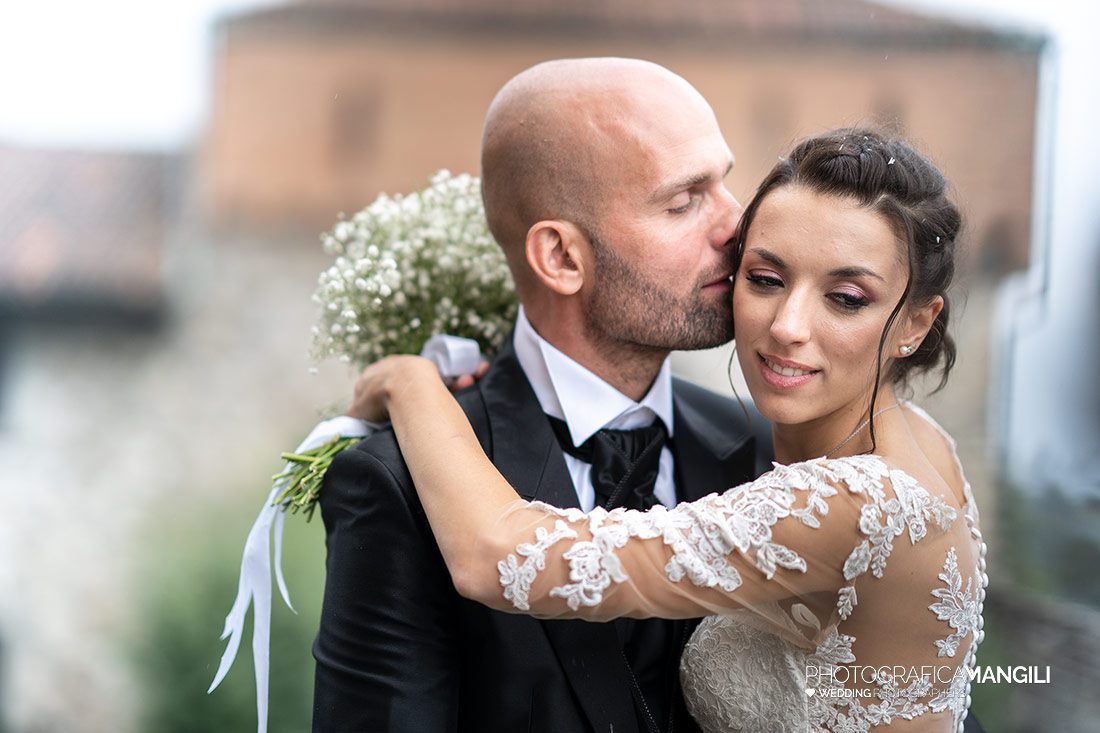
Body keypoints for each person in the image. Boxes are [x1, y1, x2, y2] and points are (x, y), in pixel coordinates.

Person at [346, 127, 987, 733]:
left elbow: (496, 558)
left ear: (916, 323)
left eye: (846, 298)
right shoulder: (922, 440)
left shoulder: (859, 504)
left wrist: (410, 380)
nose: (788, 326)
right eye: (766, 280)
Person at [311, 57, 772, 732]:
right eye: (683, 202)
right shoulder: (396, 483)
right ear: (560, 257)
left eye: (725, 183)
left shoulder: (771, 450)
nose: (739, 226)